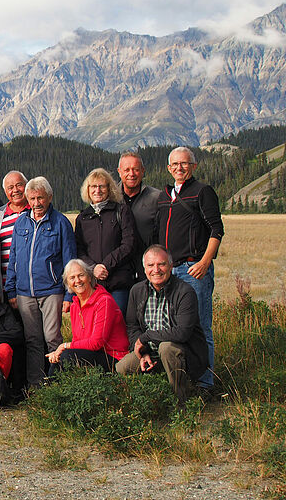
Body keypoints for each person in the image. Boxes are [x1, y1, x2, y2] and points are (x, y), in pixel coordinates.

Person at [156, 146, 223, 390]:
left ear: (193, 166)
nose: (179, 168)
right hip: (168, 273)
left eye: (184, 164)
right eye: (174, 164)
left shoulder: (202, 192)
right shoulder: (164, 196)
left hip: (193, 269)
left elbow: (217, 230)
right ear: (168, 168)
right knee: (172, 327)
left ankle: (205, 384)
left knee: (201, 327)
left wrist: (204, 262)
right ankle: (179, 380)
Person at [5, 176, 76, 387]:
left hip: (52, 290)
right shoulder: (21, 222)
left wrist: (69, 294)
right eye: (33, 198)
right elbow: (14, 258)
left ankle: (58, 382)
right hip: (24, 293)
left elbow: (70, 260)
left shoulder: (61, 222)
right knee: (32, 340)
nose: (37, 203)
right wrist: (11, 291)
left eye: (41, 198)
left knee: (53, 337)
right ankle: (35, 385)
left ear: (50, 197)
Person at [115, 245, 208, 403]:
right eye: (151, 265)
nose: (156, 270)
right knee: (122, 368)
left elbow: (182, 333)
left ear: (171, 266)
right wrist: (142, 352)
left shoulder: (185, 292)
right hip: (149, 352)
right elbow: (132, 327)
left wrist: (147, 336)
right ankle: (145, 404)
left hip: (184, 353)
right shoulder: (136, 291)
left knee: (166, 348)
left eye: (161, 264)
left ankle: (181, 403)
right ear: (144, 269)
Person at [45, 259, 129, 372]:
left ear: (89, 277)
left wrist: (63, 346)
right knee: (58, 359)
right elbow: (77, 340)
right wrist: (58, 352)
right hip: (92, 354)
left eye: (81, 275)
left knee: (67, 356)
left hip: (113, 358)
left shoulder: (104, 301)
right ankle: (48, 389)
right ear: (68, 283)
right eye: (72, 278)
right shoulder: (75, 305)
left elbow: (96, 343)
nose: (77, 281)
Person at [74, 168, 136, 315]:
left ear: (109, 189)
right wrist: (93, 268)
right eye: (93, 186)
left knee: (118, 322)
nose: (98, 190)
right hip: (93, 284)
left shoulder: (121, 211)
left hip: (119, 282)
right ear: (87, 190)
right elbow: (79, 249)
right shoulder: (83, 218)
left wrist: (105, 265)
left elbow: (129, 244)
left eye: (102, 186)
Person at [117, 151, 160, 281]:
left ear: (142, 171)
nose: (131, 174)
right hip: (118, 270)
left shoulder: (157, 198)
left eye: (136, 169)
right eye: (127, 170)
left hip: (150, 270)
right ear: (119, 171)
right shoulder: (110, 198)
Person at [0, 170, 28, 286]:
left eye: (19, 185)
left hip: (33, 285)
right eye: (10, 187)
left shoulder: (36, 211)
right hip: (5, 285)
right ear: (5, 191)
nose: (15, 190)